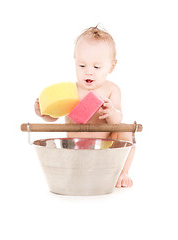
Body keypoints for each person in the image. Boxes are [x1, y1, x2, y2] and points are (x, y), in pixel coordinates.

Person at [34, 25, 135, 188]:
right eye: (82, 66)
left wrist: (111, 111)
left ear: (112, 66)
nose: (88, 72)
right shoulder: (71, 90)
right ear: (75, 62)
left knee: (125, 129)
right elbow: (53, 116)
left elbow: (118, 119)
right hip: (75, 148)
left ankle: (122, 172)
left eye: (96, 67)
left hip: (106, 148)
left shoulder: (111, 89)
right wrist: (43, 112)